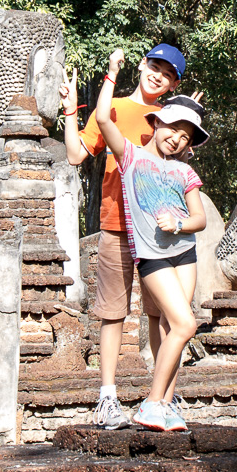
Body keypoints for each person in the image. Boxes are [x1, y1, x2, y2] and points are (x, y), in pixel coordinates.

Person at [59, 44, 186, 430]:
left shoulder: (168, 120)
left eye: (168, 74)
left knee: (162, 316)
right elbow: (75, 155)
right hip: (116, 224)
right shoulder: (112, 106)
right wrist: (70, 111)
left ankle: (164, 399)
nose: (158, 75)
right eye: (155, 66)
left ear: (174, 84)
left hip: (158, 233)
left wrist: (187, 120)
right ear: (142, 65)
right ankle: (108, 398)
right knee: (113, 313)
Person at [93, 63, 209, 432]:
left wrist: (178, 224)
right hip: (152, 256)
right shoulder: (130, 156)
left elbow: (199, 219)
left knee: (175, 327)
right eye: (173, 128)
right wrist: (112, 73)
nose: (177, 139)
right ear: (156, 122)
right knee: (185, 324)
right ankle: (152, 403)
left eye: (186, 137)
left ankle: (167, 405)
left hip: (184, 252)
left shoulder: (185, 172)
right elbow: (103, 118)